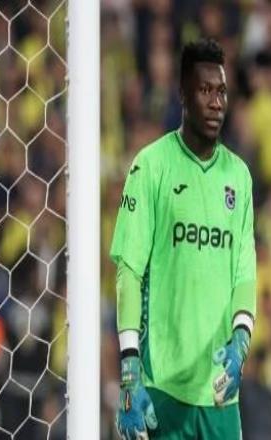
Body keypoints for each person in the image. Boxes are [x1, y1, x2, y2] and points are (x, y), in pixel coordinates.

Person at [110, 38, 256, 439]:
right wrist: (129, 368)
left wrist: (241, 340)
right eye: (205, 90)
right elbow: (129, 272)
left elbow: (244, 274)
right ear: (183, 95)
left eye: (221, 91)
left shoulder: (239, 177)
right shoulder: (150, 166)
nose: (216, 102)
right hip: (162, 388)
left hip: (219, 394)